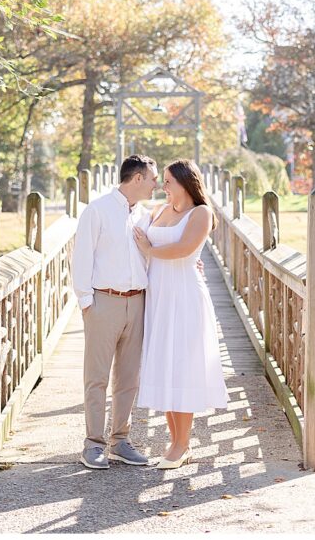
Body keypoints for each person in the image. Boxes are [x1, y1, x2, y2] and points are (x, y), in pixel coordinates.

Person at [133, 159, 228, 469]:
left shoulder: (201, 213)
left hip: (184, 295)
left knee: (182, 367)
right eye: (162, 180)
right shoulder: (158, 210)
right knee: (165, 367)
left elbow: (184, 249)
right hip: (158, 297)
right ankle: (176, 443)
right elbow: (131, 227)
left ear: (186, 183)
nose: (163, 186)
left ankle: (182, 444)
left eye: (168, 181)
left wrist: (150, 251)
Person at [71, 154, 158, 470]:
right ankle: (93, 444)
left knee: (129, 378)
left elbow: (155, 254)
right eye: (152, 178)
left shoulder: (145, 216)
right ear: (137, 178)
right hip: (104, 302)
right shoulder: (97, 210)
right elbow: (81, 257)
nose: (156, 184)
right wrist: (86, 302)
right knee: (96, 377)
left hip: (138, 302)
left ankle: (120, 441)